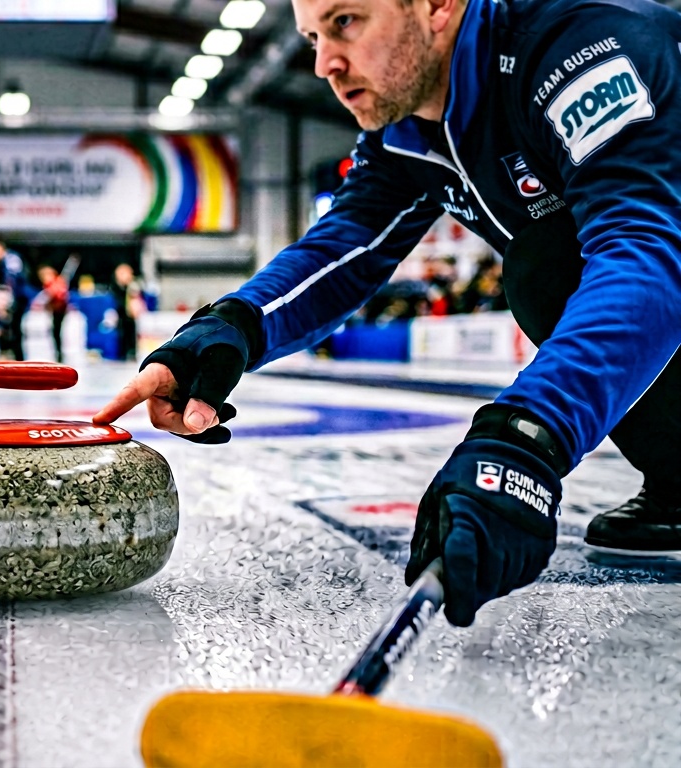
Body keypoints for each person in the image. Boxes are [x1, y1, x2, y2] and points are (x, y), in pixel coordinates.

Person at [94, 0, 681, 628]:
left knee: (550, 270)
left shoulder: (576, 45)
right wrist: (229, 329)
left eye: (345, 22)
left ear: (436, 6)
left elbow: (648, 253)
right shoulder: (411, 127)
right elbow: (346, 245)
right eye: (313, 36)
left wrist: (523, 442)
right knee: (546, 272)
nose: (324, 63)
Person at [0, 236, 29, 361]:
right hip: (14, 299)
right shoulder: (5, 262)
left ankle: (18, 359)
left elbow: (12, 281)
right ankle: (15, 357)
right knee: (10, 329)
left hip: (17, 300)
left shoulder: (11, 260)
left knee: (13, 330)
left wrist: (8, 302)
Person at [35, 263, 70, 364]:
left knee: (57, 333)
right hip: (54, 311)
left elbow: (62, 296)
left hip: (60, 311)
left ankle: (59, 354)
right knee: (54, 333)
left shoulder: (57, 282)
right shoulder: (49, 284)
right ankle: (56, 353)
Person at [110, 263, 145, 361]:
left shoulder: (133, 284)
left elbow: (138, 295)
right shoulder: (117, 286)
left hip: (131, 314)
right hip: (122, 313)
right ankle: (123, 353)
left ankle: (132, 351)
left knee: (132, 333)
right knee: (122, 333)